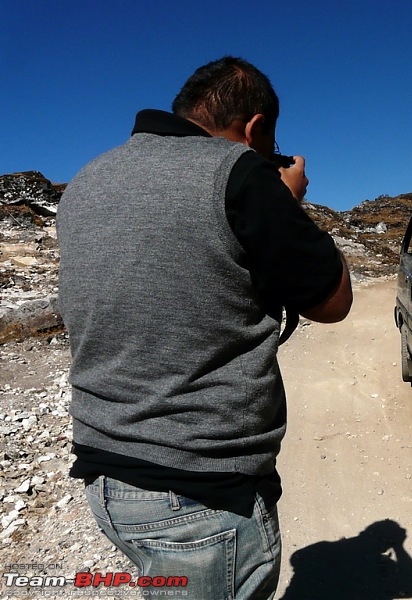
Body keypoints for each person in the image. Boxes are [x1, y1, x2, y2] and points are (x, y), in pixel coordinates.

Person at [57, 56, 352, 599]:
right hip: (201, 492)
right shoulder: (240, 172)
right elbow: (332, 301)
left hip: (106, 474)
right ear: (255, 127)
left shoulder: (86, 179)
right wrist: (285, 203)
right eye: (269, 142)